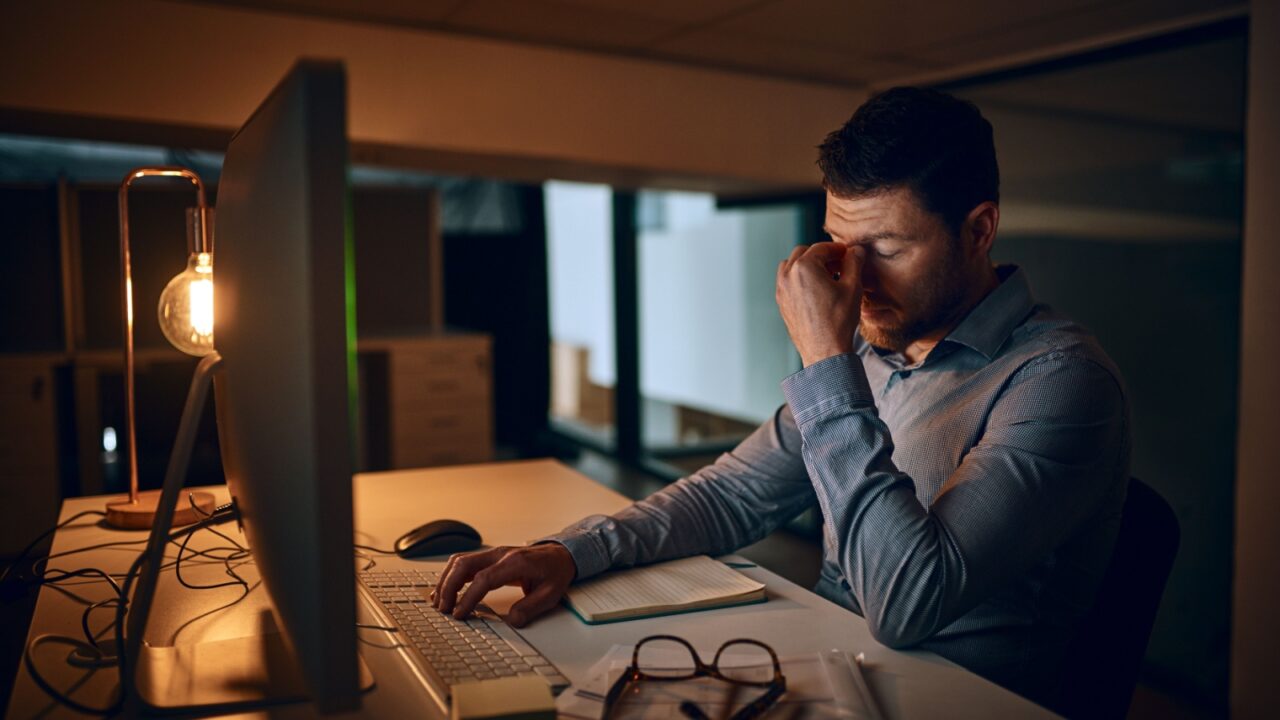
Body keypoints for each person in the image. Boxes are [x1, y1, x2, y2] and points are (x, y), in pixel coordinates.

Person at [431, 86, 1129, 703]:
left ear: (979, 230)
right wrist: (570, 551)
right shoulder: (872, 353)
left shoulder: (1060, 382)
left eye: (886, 248)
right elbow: (732, 493)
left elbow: (908, 604)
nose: (855, 283)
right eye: (837, 244)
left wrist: (826, 359)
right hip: (828, 664)